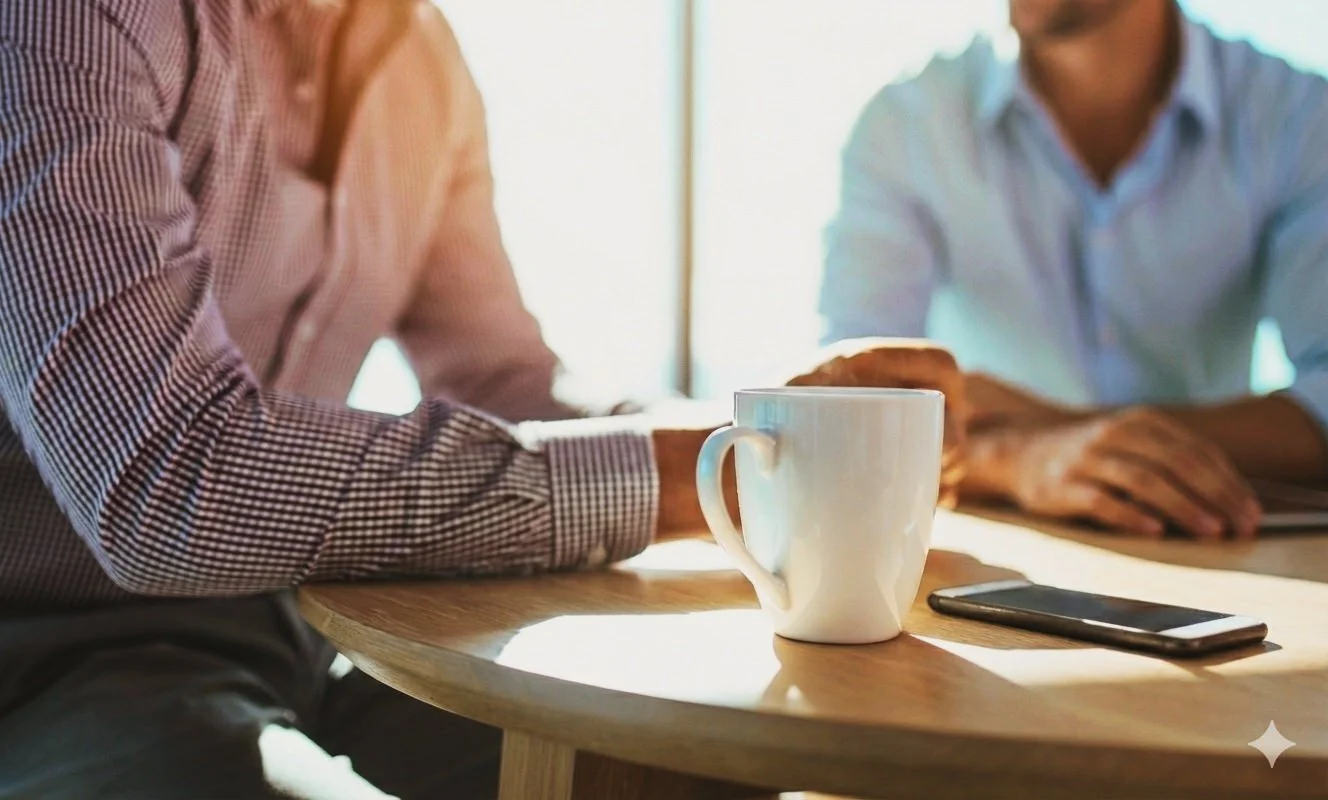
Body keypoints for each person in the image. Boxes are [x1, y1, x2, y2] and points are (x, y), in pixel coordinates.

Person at [0, 1, 964, 797]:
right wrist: (694, 472)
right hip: (50, 659)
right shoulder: (72, 24)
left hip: (315, 624)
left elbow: (505, 382)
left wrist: (781, 438)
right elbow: (170, 484)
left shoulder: (418, 55)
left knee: (698, 769)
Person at [820, 0, 1328, 541]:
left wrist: (1056, 428)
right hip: (1005, 554)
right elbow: (849, 404)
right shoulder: (905, 125)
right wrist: (1015, 459)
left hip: (1215, 540)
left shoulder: (1298, 117)